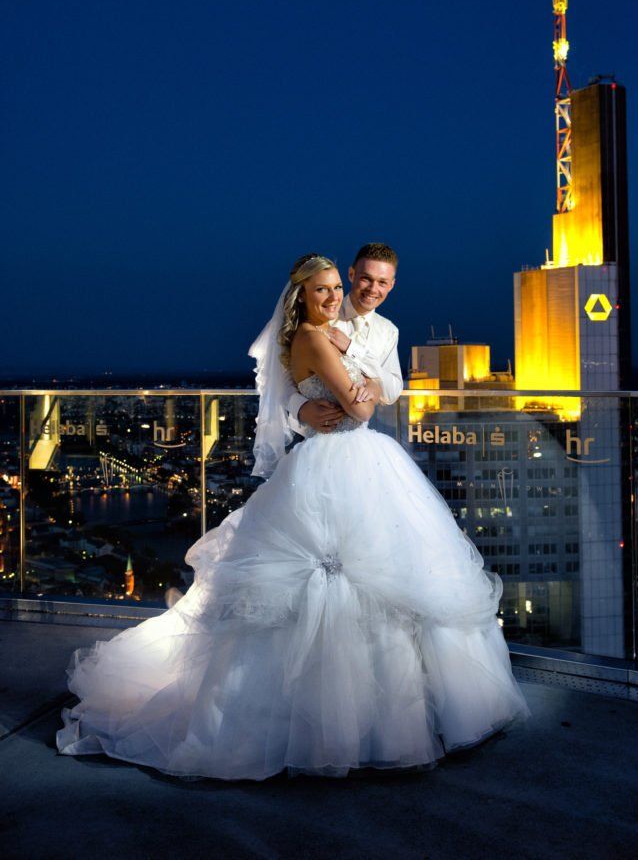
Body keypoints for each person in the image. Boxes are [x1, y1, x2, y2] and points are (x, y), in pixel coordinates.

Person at [57, 253, 529, 780]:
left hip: (364, 460)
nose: (349, 294)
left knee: (389, 582)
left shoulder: (375, 329)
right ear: (333, 284)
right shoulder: (317, 329)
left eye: (379, 283)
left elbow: (388, 387)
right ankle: (328, 726)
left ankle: (400, 719)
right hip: (332, 459)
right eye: (340, 285)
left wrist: (355, 373)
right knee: (329, 580)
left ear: (391, 286)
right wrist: (314, 403)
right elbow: (329, 401)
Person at [286, 243, 402, 437]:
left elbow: (391, 392)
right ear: (351, 274)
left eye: (382, 282)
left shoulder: (388, 331)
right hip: (321, 438)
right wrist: (301, 408)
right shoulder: (322, 315)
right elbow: (279, 378)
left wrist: (353, 350)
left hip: (369, 440)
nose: (373, 289)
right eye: (366, 279)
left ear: (391, 285)